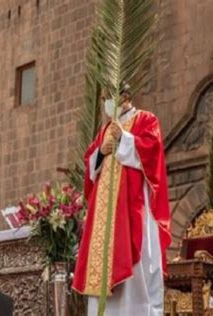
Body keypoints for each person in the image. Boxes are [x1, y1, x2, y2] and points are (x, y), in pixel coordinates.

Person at [72, 84, 172, 315]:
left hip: (133, 212)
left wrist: (124, 139)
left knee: (136, 278)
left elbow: (152, 153)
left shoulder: (146, 120)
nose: (106, 103)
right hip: (103, 220)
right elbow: (90, 167)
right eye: (105, 98)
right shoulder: (104, 130)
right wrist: (101, 152)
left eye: (110, 97)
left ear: (125, 96)